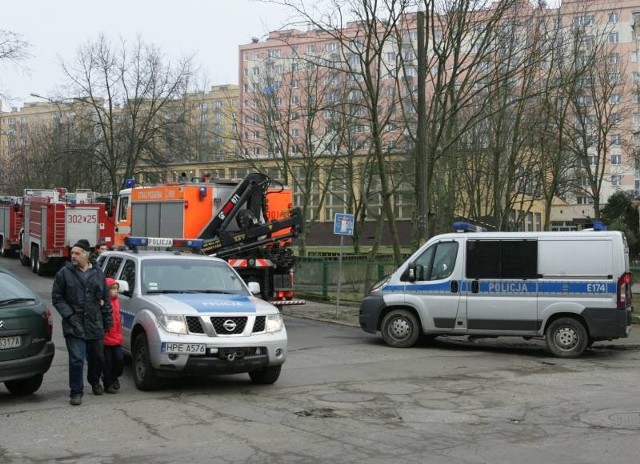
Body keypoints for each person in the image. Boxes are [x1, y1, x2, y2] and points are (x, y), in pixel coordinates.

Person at [52, 239, 113, 406]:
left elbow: (106, 300)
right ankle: (76, 392)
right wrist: (69, 315)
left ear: (86, 255)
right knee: (77, 359)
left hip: (95, 322)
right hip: (74, 322)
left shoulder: (98, 273)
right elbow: (57, 298)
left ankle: (94, 381)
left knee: (97, 357)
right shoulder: (64, 273)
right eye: (72, 253)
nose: (73, 256)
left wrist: (108, 322)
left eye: (77, 253)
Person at [102, 278, 123, 393]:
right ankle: (108, 383)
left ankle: (115, 376)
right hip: (106, 338)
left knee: (119, 360)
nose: (115, 292)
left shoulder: (116, 301)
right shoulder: (103, 302)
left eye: (116, 289)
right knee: (108, 362)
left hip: (116, 337)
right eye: (112, 289)